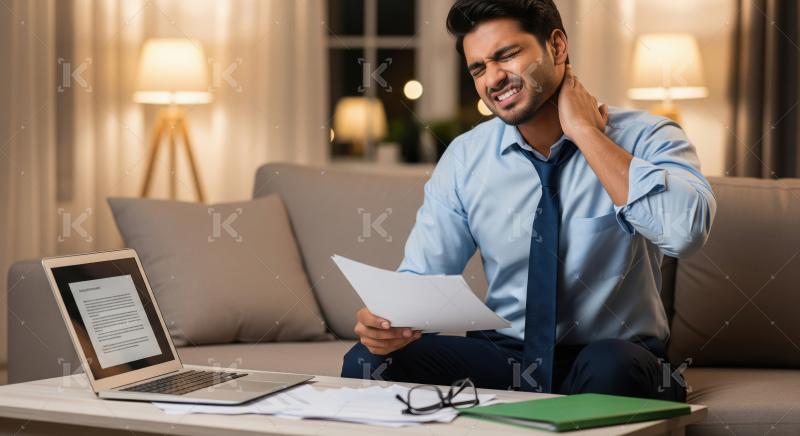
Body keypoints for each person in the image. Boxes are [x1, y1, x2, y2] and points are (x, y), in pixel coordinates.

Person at [341, 0, 716, 401]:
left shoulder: (648, 137)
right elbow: (422, 278)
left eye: (507, 55)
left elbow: (685, 234)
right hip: (507, 357)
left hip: (610, 356)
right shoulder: (467, 157)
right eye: (479, 68)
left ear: (556, 47)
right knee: (366, 360)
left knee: (612, 367)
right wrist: (388, 323)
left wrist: (586, 134)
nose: (493, 79)